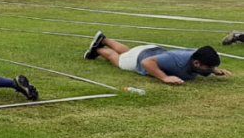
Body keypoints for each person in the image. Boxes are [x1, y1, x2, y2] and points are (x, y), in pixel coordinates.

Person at [84, 31, 232, 85]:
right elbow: (146, 63)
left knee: (128, 52)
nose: (210, 69)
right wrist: (164, 78)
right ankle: (98, 49)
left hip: (151, 50)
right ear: (197, 63)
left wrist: (214, 70)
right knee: (118, 60)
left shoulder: (197, 55)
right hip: (141, 58)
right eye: (208, 67)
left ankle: (104, 39)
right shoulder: (177, 60)